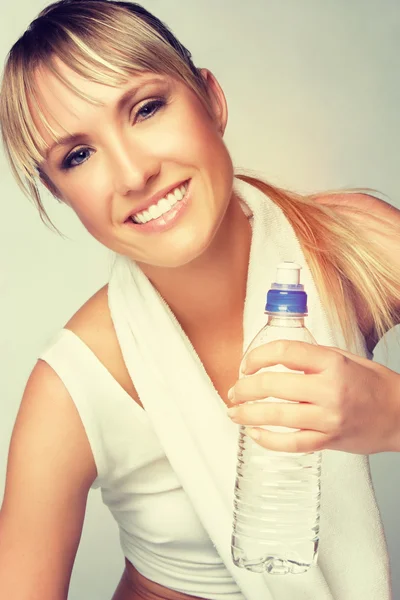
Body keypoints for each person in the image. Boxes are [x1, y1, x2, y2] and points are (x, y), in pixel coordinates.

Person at [0, 1, 399, 599]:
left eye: (146, 108)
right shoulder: (72, 387)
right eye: (78, 156)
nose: (133, 174)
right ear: (60, 193)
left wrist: (390, 409)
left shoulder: (353, 245)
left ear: (211, 99)